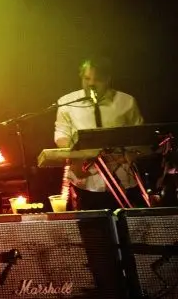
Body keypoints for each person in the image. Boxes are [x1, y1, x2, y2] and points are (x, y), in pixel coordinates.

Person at [54, 57, 146, 210]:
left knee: (128, 230)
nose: (91, 83)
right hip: (84, 181)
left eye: (97, 79)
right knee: (91, 231)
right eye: (87, 78)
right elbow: (61, 134)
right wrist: (76, 154)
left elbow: (140, 136)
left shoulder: (126, 102)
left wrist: (131, 154)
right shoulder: (66, 102)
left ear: (108, 79)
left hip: (122, 180)